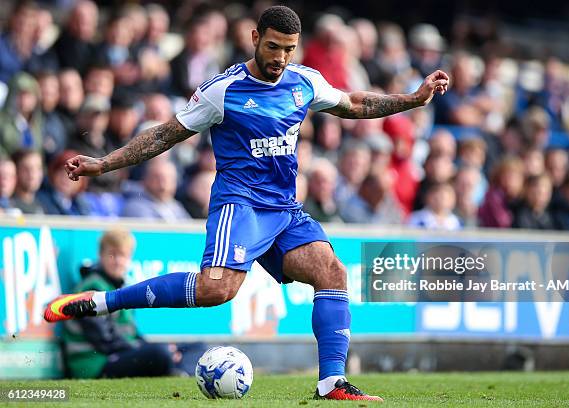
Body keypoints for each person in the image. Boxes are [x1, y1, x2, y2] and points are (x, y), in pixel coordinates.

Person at [44, 6, 448, 401]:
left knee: (333, 272)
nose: (281, 58)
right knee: (215, 290)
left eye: (289, 49)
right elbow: (164, 135)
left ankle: (332, 384)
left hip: (285, 209)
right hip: (240, 205)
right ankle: (101, 303)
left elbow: (355, 104)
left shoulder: (304, 81)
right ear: (255, 39)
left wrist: (414, 99)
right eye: (273, 47)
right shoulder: (223, 90)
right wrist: (105, 163)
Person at [62, 229, 175, 378]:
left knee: (193, 348)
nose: (117, 261)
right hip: (95, 365)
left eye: (122, 255)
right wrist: (143, 348)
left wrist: (146, 346)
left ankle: (178, 367)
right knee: (160, 354)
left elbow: (132, 334)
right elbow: (104, 340)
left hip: (118, 354)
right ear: (100, 255)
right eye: (112, 254)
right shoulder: (91, 289)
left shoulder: (121, 288)